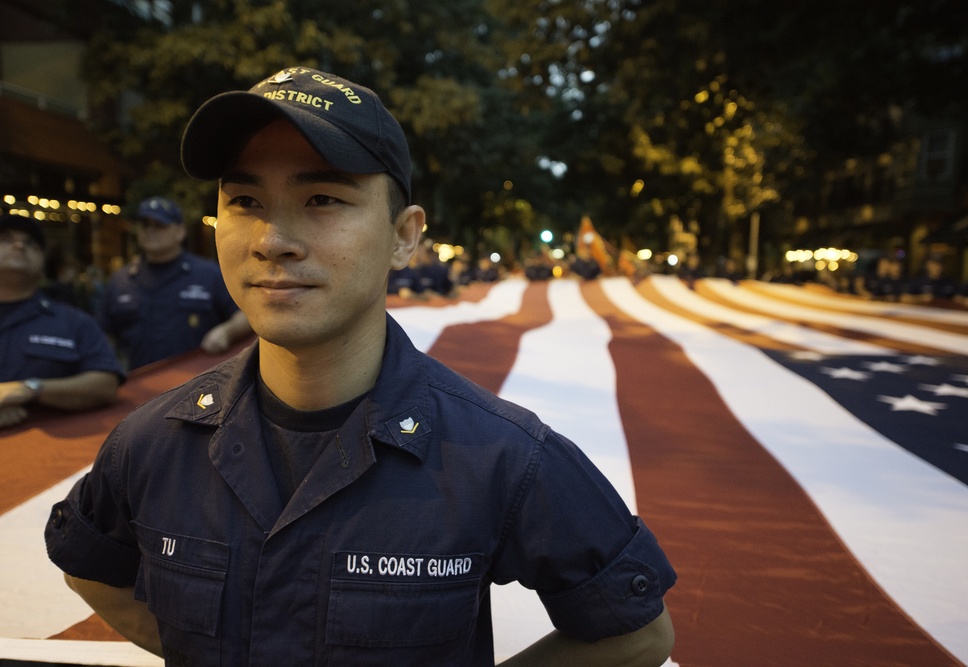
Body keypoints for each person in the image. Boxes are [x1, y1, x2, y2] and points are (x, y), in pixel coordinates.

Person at [45, 66, 676, 665]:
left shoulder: (502, 456)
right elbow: (89, 568)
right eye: (243, 199)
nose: (271, 239)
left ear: (405, 236)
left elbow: (635, 635)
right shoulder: (152, 444)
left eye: (321, 197)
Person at [99, 195, 253, 369]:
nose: (151, 231)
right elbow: (105, 334)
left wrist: (227, 331)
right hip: (140, 385)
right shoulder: (121, 280)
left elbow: (246, 315)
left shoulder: (208, 274)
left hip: (196, 383)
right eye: (145, 225)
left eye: (160, 225)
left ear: (180, 232)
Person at [0, 214, 123, 428]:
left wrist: (30, 389)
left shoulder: (74, 322)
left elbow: (105, 384)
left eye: (31, 244)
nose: (19, 245)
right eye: (6, 239)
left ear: (42, 268)